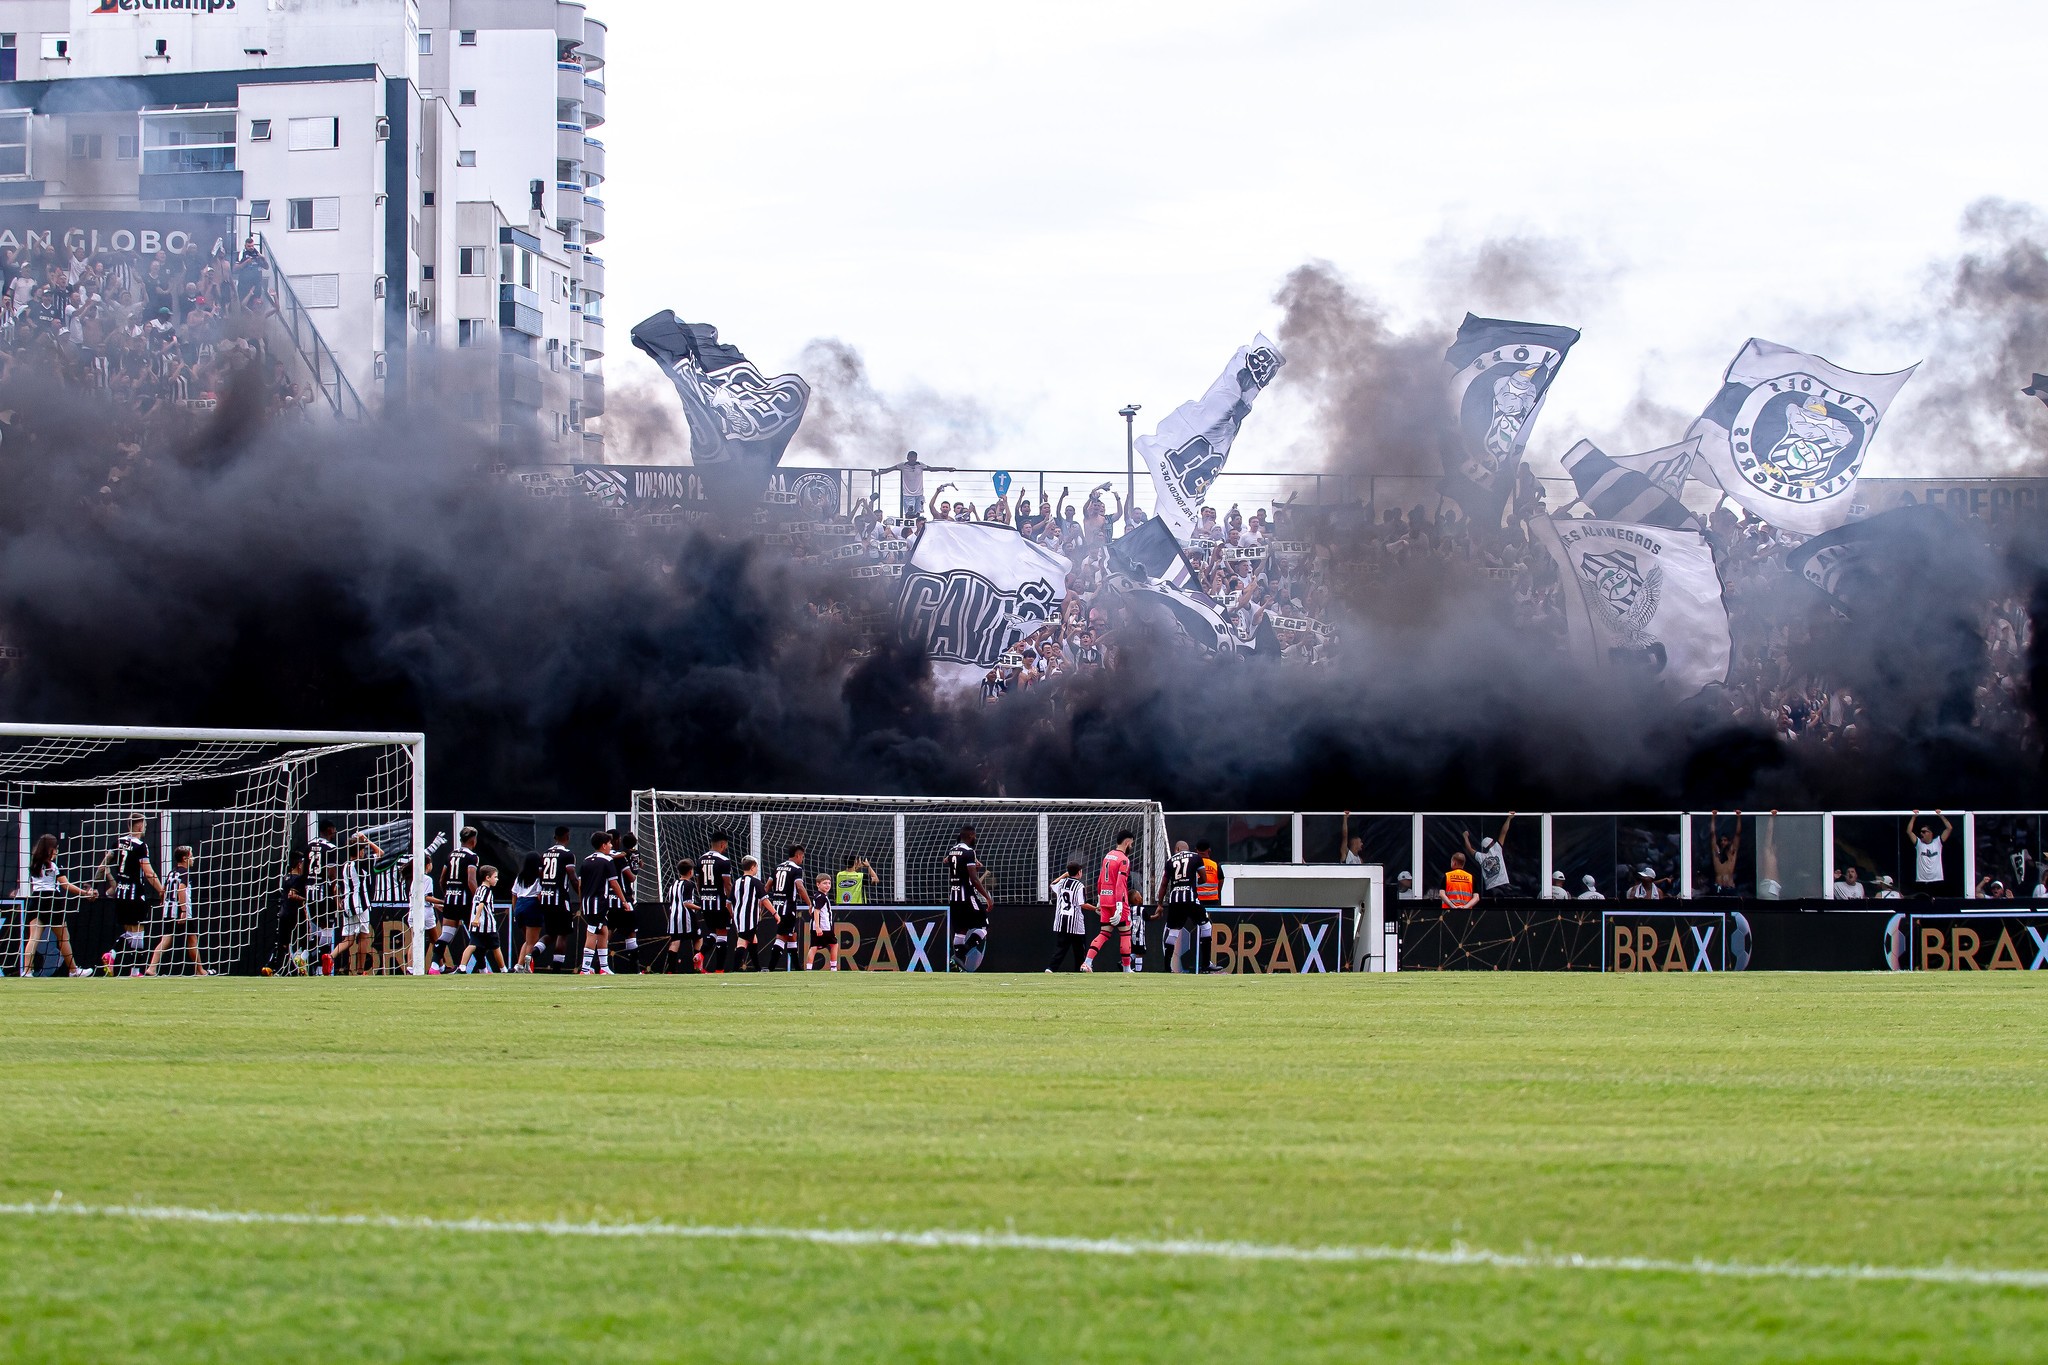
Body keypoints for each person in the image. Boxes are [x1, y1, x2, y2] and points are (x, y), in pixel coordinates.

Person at [98, 815, 165, 977]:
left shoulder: (118, 842)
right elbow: (148, 873)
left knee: (130, 933)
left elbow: (102, 866)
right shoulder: (141, 846)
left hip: (121, 895)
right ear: (140, 825)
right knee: (138, 933)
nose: (145, 829)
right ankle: (132, 968)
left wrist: (106, 884)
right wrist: (161, 890)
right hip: (135, 895)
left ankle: (116, 956)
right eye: (145, 826)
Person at [21, 833, 95, 977]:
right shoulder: (53, 865)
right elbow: (66, 885)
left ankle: (27, 971)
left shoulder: (34, 864)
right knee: (63, 938)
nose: (57, 852)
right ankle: (74, 970)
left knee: (33, 938)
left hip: (35, 899)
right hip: (51, 901)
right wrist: (85, 893)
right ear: (50, 849)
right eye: (56, 849)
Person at [144, 845, 206, 976]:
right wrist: (183, 911)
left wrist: (163, 901)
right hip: (180, 911)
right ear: (185, 858)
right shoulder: (184, 873)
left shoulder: (172, 873)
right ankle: (200, 970)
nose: (193, 859)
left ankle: (152, 967)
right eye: (191, 856)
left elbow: (164, 890)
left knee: (166, 939)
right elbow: (181, 890)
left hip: (169, 910)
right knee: (192, 940)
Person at [1081, 831, 1137, 973]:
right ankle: (1126, 968)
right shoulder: (1123, 859)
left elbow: (1100, 879)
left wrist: (1100, 899)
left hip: (1105, 900)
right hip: (1119, 901)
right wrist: (1119, 907)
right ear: (1127, 842)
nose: (1132, 847)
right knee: (1125, 933)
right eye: (1132, 844)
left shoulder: (1108, 856)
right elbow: (1120, 884)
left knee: (1104, 933)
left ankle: (1087, 962)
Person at [945, 826, 993, 971]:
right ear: (971, 836)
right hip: (967, 895)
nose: (975, 839)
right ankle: (960, 954)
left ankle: (957, 965)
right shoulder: (969, 852)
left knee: (961, 931)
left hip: (954, 897)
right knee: (984, 926)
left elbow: (947, 861)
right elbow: (974, 879)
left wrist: (972, 865)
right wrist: (987, 898)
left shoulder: (952, 850)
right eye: (975, 836)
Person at [577, 831, 625, 975]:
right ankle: (585, 969)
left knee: (603, 930)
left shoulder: (586, 860)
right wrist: (624, 901)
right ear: (604, 845)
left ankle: (604, 967)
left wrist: (582, 901)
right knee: (592, 932)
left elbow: (580, 884)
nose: (611, 846)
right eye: (609, 843)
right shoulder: (607, 861)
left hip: (587, 902)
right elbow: (614, 883)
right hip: (599, 903)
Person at [435, 827, 479, 976]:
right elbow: (471, 881)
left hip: (450, 900)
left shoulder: (451, 855)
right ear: (473, 840)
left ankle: (434, 966)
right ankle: (481, 968)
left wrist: (447, 894)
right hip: (465, 903)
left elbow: (442, 879)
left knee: (446, 934)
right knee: (476, 936)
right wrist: (479, 899)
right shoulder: (472, 857)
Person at [533, 826, 577, 973]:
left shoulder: (545, 854)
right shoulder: (567, 855)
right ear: (567, 836)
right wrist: (581, 895)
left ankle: (532, 954)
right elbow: (572, 878)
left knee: (551, 933)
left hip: (546, 898)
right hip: (560, 899)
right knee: (563, 933)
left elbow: (540, 875)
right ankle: (557, 968)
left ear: (554, 837)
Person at [1157, 840, 1205, 972]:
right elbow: (1204, 878)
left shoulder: (1170, 861)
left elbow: (1163, 884)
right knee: (1206, 926)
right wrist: (1194, 880)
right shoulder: (1196, 857)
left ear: (1177, 848)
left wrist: (1160, 904)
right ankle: (1206, 963)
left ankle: (1167, 967)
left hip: (1174, 899)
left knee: (1173, 932)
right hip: (1190, 898)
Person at [339, 830, 383, 976]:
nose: (364, 852)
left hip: (347, 905)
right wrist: (366, 840)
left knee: (348, 939)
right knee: (364, 937)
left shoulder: (345, 865)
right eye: (363, 849)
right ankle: (360, 970)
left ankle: (330, 957)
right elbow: (380, 853)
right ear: (359, 851)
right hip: (361, 904)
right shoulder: (362, 863)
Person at [303, 820, 342, 974]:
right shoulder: (331, 848)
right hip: (323, 893)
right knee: (327, 929)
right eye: (333, 828)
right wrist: (336, 897)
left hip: (309, 892)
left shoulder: (309, 846)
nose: (335, 831)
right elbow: (332, 875)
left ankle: (306, 956)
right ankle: (320, 967)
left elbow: (304, 871)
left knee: (315, 930)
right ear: (328, 829)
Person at [697, 831, 736, 973]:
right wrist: (731, 903)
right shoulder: (724, 861)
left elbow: (698, 882)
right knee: (722, 935)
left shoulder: (700, 859)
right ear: (722, 844)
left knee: (713, 932)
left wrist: (703, 897)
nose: (725, 848)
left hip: (706, 902)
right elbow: (727, 885)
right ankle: (719, 970)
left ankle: (700, 954)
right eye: (725, 845)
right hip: (720, 903)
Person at [1046, 859, 1095, 971]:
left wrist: (1064, 875)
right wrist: (1096, 909)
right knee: (1079, 949)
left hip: (1061, 920)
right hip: (1075, 923)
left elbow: (1052, 884)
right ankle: (1081, 968)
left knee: (1061, 948)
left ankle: (1050, 968)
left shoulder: (1062, 883)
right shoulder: (1079, 886)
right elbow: (1082, 904)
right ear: (1079, 872)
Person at [772, 845, 814, 973]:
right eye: (802, 856)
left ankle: (797, 969)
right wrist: (809, 904)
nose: (802, 859)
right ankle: (770, 968)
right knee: (782, 937)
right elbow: (800, 887)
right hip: (788, 907)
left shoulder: (777, 868)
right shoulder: (796, 869)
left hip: (777, 905)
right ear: (798, 855)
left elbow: (767, 886)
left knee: (792, 936)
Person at [460, 867, 507, 973]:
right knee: (496, 947)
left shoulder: (478, 889)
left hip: (476, 925)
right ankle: (503, 969)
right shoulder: (487, 891)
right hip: (487, 925)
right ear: (487, 878)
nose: (497, 879)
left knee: (473, 945)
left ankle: (462, 967)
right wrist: (477, 918)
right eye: (495, 877)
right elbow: (482, 904)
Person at [609, 832, 641, 973]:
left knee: (606, 932)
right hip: (623, 900)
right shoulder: (621, 856)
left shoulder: (601, 857)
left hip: (607, 900)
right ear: (615, 840)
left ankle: (599, 966)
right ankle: (634, 968)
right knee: (630, 932)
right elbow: (631, 877)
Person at [730, 856, 769, 971]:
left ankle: (758, 968)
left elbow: (728, 902)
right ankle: (735, 969)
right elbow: (765, 900)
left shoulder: (736, 882)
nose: (757, 869)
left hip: (738, 917)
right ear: (752, 868)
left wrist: (732, 914)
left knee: (753, 940)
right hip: (749, 918)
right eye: (756, 867)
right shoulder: (755, 882)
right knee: (742, 941)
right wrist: (775, 914)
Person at [1463, 813, 1515, 896]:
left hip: (1491, 889)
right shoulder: (1497, 849)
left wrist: (1465, 837)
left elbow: (1469, 849)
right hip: (1503, 885)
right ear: (1491, 843)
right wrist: (1509, 818)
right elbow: (1503, 832)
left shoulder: (1481, 857)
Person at [510, 852, 545, 974]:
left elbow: (514, 894)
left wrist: (515, 911)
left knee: (527, 939)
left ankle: (519, 965)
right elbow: (540, 896)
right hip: (532, 905)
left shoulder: (520, 877)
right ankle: (526, 966)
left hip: (519, 905)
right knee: (533, 941)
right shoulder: (539, 877)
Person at [663, 857, 699, 973]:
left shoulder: (674, 883)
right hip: (686, 916)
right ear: (690, 872)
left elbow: (670, 899)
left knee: (675, 941)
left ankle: (671, 970)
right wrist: (700, 908)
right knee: (698, 938)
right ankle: (697, 967)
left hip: (673, 916)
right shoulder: (689, 884)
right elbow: (687, 903)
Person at [1909, 811, 1954, 890]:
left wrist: (1941, 815)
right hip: (1922, 881)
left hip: (1937, 880)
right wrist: (1913, 817)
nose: (1921, 834)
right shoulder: (1919, 844)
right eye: (1920, 832)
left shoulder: (1938, 842)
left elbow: (1949, 828)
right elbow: (1909, 832)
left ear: (1930, 833)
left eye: (1924, 832)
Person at [1707, 811, 1742, 896]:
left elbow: (1737, 834)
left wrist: (1738, 817)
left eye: (1725, 840)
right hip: (1718, 886)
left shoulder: (1732, 853)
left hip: (1729, 886)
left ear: (1728, 841)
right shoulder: (1717, 853)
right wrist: (1713, 817)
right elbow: (1712, 835)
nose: (1723, 842)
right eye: (1722, 840)